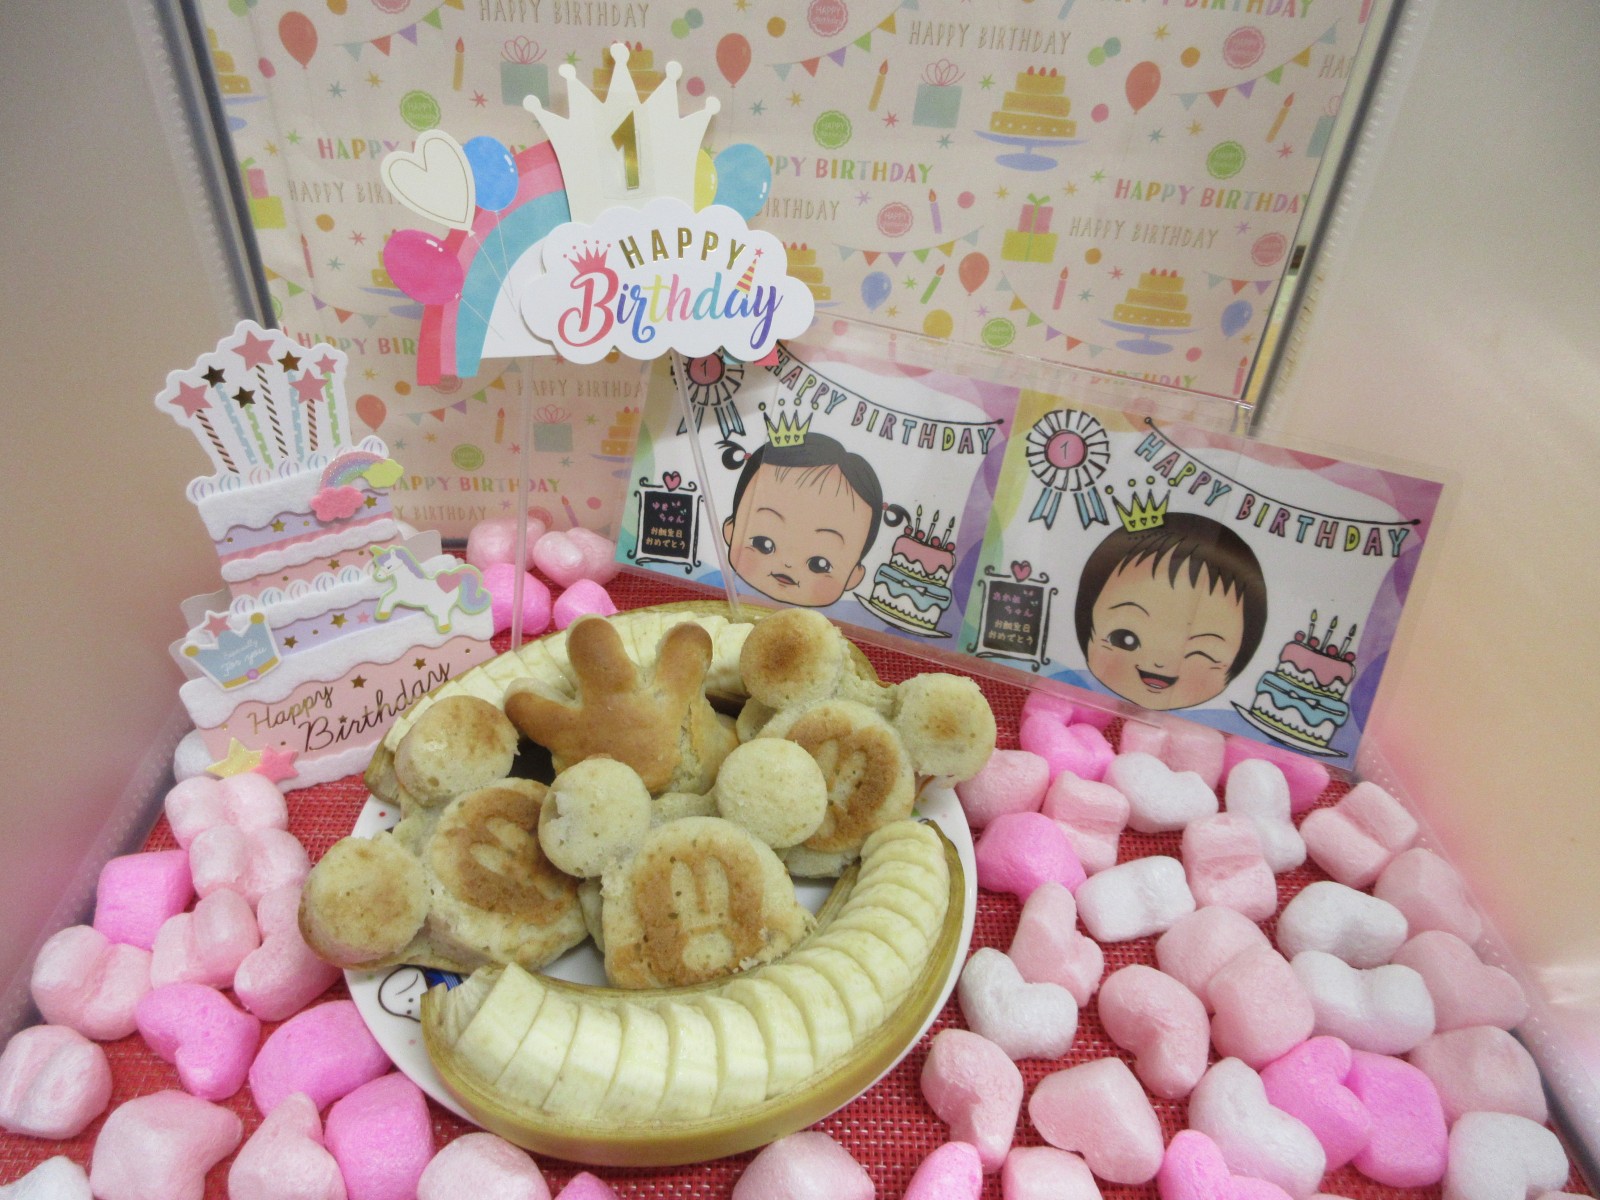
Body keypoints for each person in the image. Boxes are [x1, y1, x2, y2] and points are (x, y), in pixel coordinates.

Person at [1073, 512, 1267, 711]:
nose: (1160, 663)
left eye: (1200, 653)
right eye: (1125, 638)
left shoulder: (1223, 718)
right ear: (1086, 625)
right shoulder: (1068, 682)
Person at [720, 432, 883, 608]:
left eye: (819, 564)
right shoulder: (711, 586)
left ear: (854, 576)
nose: (788, 563)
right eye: (763, 544)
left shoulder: (848, 618)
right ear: (731, 529)